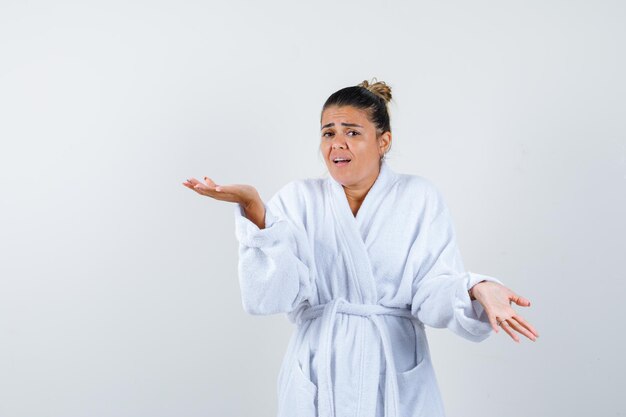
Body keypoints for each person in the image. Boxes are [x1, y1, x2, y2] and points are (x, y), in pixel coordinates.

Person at [182, 78, 539, 417]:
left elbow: (433, 289)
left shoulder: (419, 198)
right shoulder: (298, 199)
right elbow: (269, 297)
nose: (337, 143)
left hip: (393, 367)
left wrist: (477, 288)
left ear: (383, 141)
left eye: (352, 132)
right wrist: (256, 211)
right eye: (328, 133)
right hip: (321, 366)